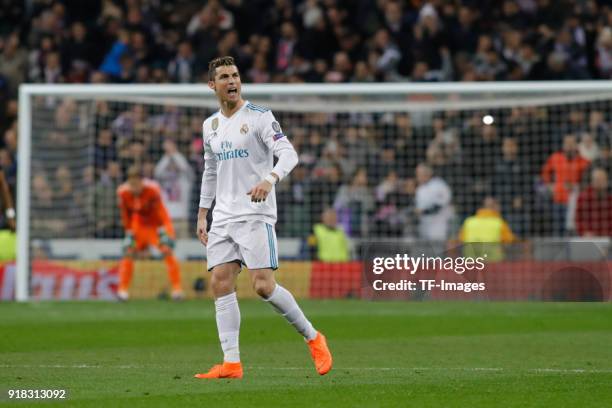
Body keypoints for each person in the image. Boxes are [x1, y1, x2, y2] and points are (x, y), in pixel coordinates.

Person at [195, 56, 332, 379]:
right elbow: (210, 170)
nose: (232, 81)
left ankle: (313, 337)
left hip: (255, 214)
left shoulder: (259, 117)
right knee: (220, 282)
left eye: (236, 75)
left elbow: (289, 153)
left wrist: (269, 179)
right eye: (225, 77)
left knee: (262, 286)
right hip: (223, 217)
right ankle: (231, 362)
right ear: (212, 85)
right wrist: (203, 213)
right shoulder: (210, 126)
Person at [116, 165, 183, 301]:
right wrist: (128, 233)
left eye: (136, 184)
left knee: (166, 250)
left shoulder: (153, 190)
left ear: (142, 181)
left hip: (154, 226)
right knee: (128, 252)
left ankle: (177, 290)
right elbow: (126, 215)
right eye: (131, 184)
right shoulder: (123, 193)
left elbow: (162, 213)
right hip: (138, 226)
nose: (133, 188)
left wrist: (167, 233)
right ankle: (122, 291)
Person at [459, 196, 516, 261]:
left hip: (471, 257)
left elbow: (461, 239)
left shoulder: (469, 221)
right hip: (491, 257)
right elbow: (509, 240)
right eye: (498, 205)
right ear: (494, 207)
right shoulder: (499, 222)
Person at [414, 163, 453, 241]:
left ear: (427, 173)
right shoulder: (420, 189)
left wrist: (423, 211)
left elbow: (438, 207)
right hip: (424, 226)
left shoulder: (439, 185)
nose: (417, 176)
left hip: (439, 226)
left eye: (419, 173)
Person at [575, 168, 612, 237]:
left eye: (602, 180)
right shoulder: (583, 197)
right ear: (592, 181)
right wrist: (584, 232)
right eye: (597, 180)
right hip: (589, 237)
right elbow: (578, 219)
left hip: (607, 237)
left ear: (606, 181)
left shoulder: (609, 199)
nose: (600, 182)